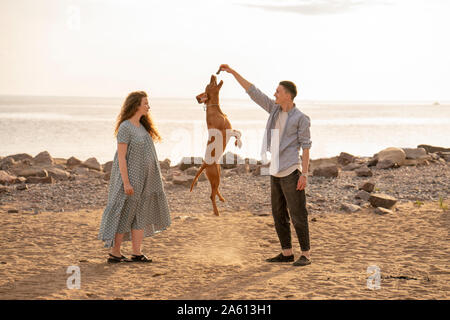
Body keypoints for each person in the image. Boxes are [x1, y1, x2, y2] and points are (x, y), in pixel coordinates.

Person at [218, 64, 312, 266]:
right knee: (279, 214)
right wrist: (234, 72)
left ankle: (306, 254)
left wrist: (304, 174)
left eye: (278, 91)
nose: (274, 94)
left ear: (288, 95)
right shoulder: (274, 110)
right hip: (275, 169)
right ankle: (287, 253)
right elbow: (253, 92)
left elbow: (306, 147)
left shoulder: (301, 119)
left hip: (291, 170)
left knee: (298, 214)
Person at [98, 91, 171, 263]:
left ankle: (137, 252)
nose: (148, 106)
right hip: (131, 179)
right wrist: (126, 182)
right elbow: (121, 157)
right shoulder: (125, 127)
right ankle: (115, 252)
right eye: (145, 103)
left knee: (140, 214)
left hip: (146, 180)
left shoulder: (142, 127)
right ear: (136, 105)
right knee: (125, 213)